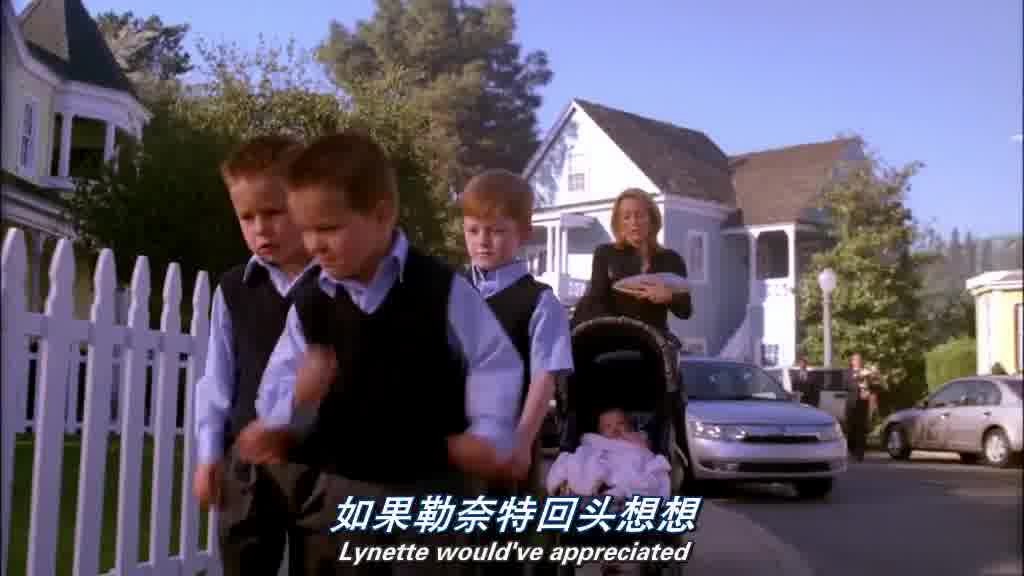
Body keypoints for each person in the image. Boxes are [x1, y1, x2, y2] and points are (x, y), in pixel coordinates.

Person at [236, 130, 527, 576]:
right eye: (306, 230)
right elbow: (280, 381)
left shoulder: (440, 289)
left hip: (430, 493)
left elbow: (494, 360)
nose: (314, 244)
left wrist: (486, 431)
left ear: (381, 215)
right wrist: (284, 415)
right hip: (340, 496)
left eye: (329, 228)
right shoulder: (311, 304)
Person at [191, 134, 319, 576]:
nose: (260, 228)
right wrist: (209, 454)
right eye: (247, 217)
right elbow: (217, 380)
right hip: (246, 469)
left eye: (274, 212)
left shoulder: (342, 286)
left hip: (324, 467)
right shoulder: (233, 290)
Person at [460, 169, 575, 575]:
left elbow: (544, 378)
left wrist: (523, 443)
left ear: (523, 233)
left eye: (495, 231)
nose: (482, 241)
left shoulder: (539, 301)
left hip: (506, 443)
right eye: (473, 230)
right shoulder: (451, 289)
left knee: (501, 552)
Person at [573, 188, 692, 335]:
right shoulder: (605, 253)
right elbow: (597, 301)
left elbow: (685, 311)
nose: (634, 222)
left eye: (640, 215)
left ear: (652, 219)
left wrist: (669, 297)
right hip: (613, 339)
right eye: (626, 217)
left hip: (654, 342)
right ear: (618, 223)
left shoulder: (672, 259)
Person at [845, 353, 875, 461]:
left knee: (861, 429)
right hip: (852, 404)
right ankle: (852, 449)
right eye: (856, 359)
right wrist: (857, 382)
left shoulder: (866, 371)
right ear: (852, 361)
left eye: (860, 359)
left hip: (863, 403)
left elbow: (872, 385)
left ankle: (860, 454)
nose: (858, 361)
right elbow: (845, 385)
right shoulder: (848, 373)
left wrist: (869, 383)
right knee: (851, 429)